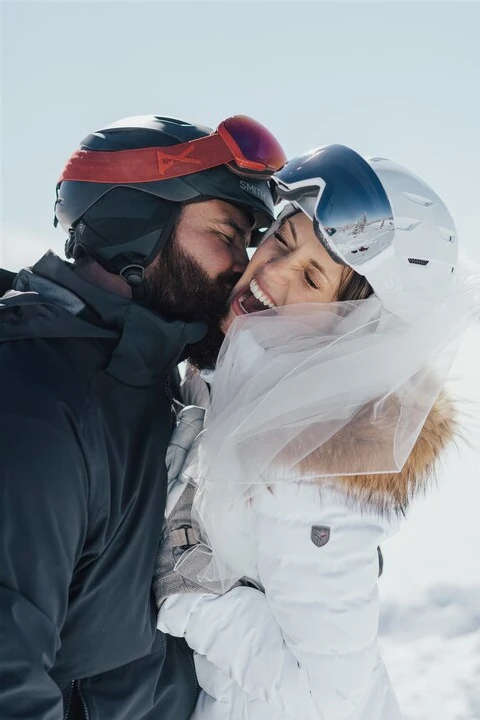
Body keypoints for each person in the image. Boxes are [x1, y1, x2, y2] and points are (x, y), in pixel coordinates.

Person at [155, 145, 479, 719]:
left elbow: (328, 700)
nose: (272, 271)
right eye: (282, 240)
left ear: (350, 330)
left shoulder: (313, 460)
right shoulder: (227, 385)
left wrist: (193, 592)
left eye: (311, 276)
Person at [0, 113, 286, 719]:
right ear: (136, 229)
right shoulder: (38, 397)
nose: (244, 265)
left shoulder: (158, 389)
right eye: (226, 234)